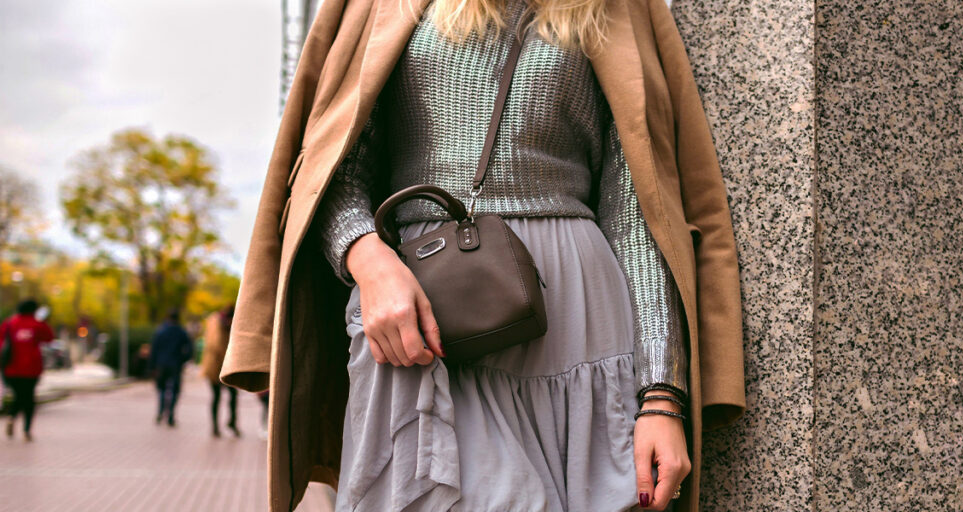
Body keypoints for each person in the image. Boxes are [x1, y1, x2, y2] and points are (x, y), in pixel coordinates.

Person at [219, 0, 746, 511]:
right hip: (418, 324)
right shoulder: (377, 4)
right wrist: (370, 264)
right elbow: (329, 172)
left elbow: (639, 213)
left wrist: (661, 397)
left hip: (577, 328)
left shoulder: (617, 7)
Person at [0, 299, 55, 442]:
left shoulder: (9, 323)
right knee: (28, 398)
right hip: (31, 368)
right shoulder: (37, 324)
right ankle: (26, 430)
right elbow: (49, 337)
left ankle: (12, 417)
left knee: (18, 396)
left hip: (11, 368)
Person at [199, 306, 239, 437]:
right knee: (216, 397)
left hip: (228, 366)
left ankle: (232, 422)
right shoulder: (215, 323)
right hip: (215, 367)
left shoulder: (230, 324)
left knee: (233, 395)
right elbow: (215, 345)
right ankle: (215, 427)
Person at [149, 310, 193, 427]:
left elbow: (154, 349)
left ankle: (161, 412)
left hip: (161, 365)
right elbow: (190, 348)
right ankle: (171, 415)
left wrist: (152, 366)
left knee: (162, 389)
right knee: (174, 391)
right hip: (176, 365)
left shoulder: (161, 331)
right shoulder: (181, 332)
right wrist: (183, 359)